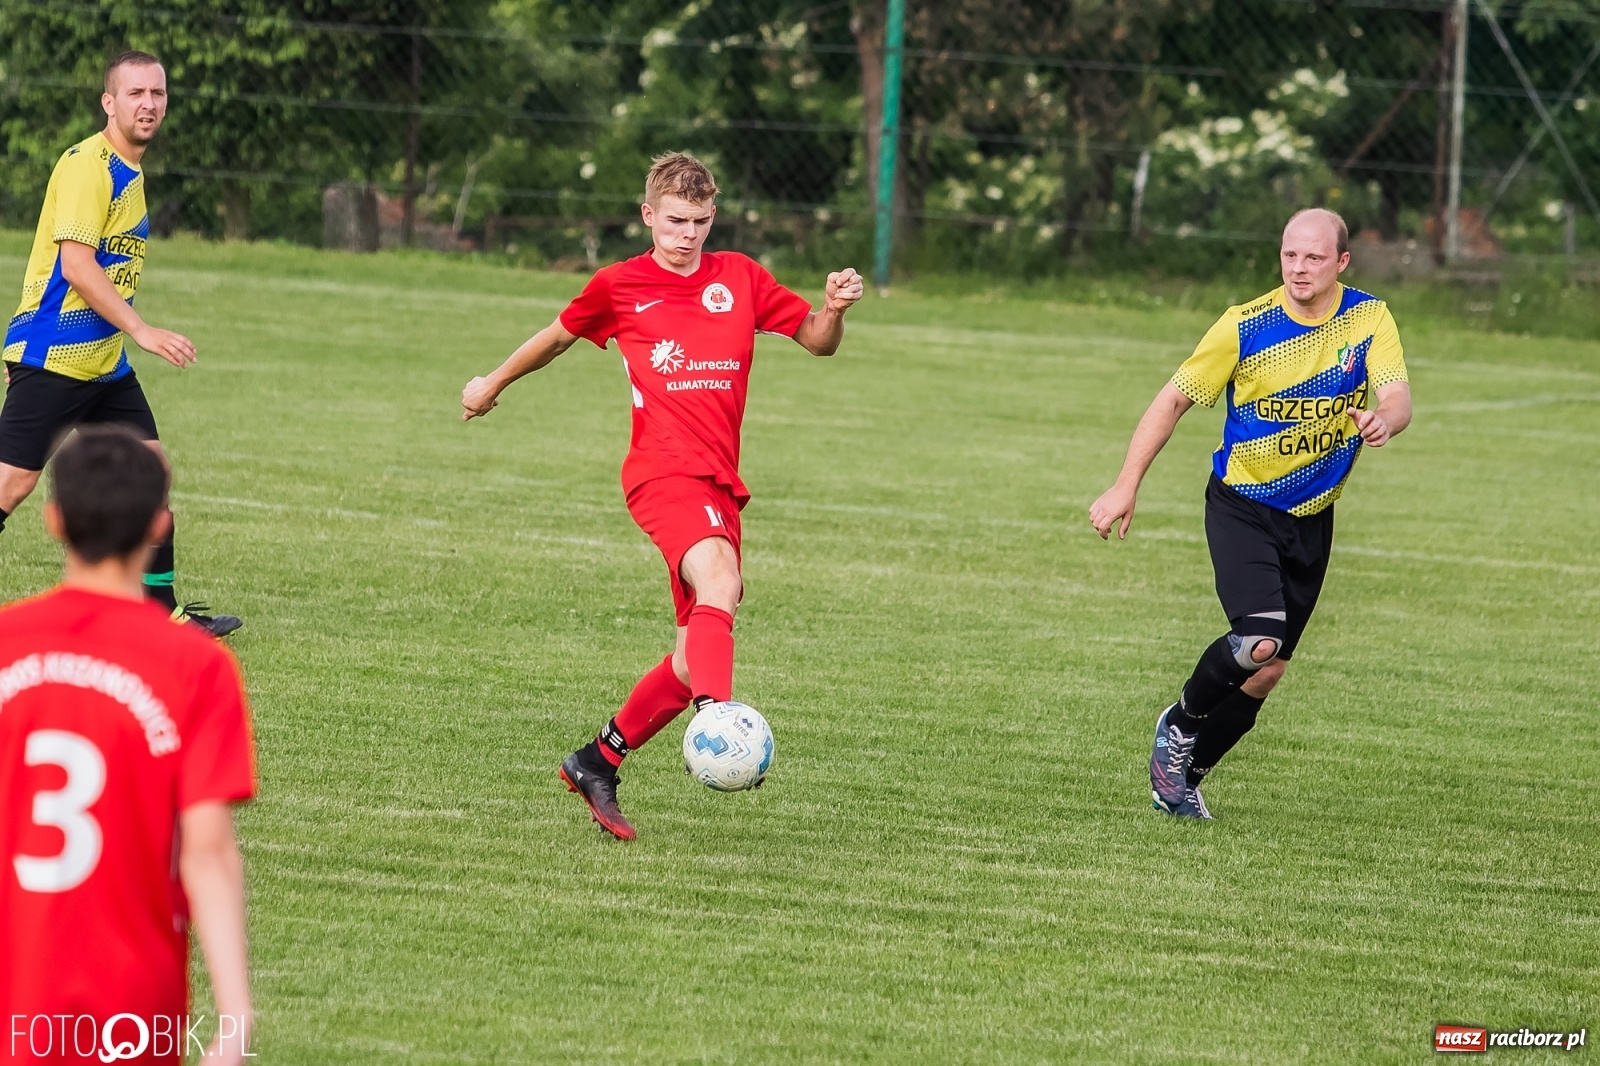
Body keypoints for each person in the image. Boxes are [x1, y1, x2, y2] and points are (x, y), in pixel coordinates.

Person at [462, 151, 863, 840]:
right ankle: (719, 716)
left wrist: (831, 309)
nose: (688, 234)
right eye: (675, 221)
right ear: (649, 215)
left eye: (701, 221)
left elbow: (816, 343)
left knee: (689, 651)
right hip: (661, 471)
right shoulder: (620, 285)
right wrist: (491, 383)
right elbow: (557, 337)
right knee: (720, 579)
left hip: (718, 482)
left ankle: (597, 760)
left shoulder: (739, 277)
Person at [1089, 208, 1412, 819]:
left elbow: (1396, 394)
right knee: (1260, 637)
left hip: (1314, 517)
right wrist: (1125, 484)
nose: (1299, 268)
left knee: (1267, 673)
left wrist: (1381, 419)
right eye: (1290, 255)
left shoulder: (1368, 317)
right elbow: (1173, 399)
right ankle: (1179, 722)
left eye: (1314, 257)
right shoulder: (1246, 324)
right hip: (1242, 505)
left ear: (1341, 262)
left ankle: (1183, 777)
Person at [0, 426, 255, 1064]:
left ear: (53, 520)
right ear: (158, 525)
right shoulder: (195, 665)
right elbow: (208, 853)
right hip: (134, 1007)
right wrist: (236, 1019)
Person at [0, 50, 239, 637]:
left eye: (157, 94)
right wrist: (143, 330)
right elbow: (77, 266)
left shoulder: (129, 169)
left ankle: (161, 613)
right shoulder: (89, 164)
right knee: (12, 483)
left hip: (103, 365)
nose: (149, 104)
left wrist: (126, 339)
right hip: (55, 355)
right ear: (109, 102)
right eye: (135, 93)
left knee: (151, 475)